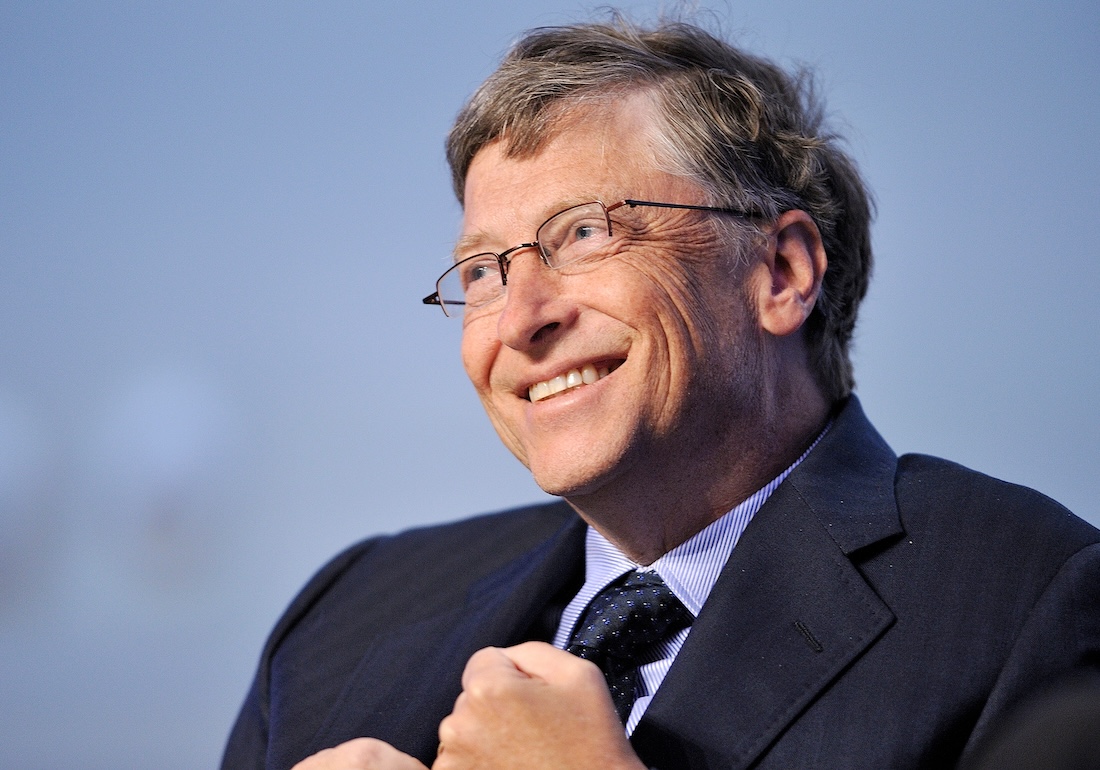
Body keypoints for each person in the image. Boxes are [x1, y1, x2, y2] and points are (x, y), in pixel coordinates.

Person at [222, 16, 1100, 770]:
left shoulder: (1030, 600)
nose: (520, 319)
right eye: (483, 271)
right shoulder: (341, 621)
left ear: (781, 272)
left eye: (583, 232)